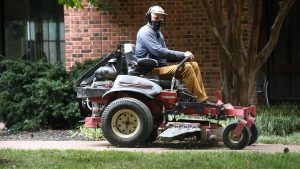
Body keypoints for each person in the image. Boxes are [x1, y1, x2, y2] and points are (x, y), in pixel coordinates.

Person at [135, 6, 210, 103]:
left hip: (160, 67)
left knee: (194, 65)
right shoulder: (145, 32)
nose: (159, 20)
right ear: (149, 17)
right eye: (156, 18)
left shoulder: (158, 34)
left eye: (161, 18)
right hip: (150, 70)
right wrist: (183, 55)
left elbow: (165, 54)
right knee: (186, 68)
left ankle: (202, 98)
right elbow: (160, 52)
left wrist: (183, 57)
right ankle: (200, 101)